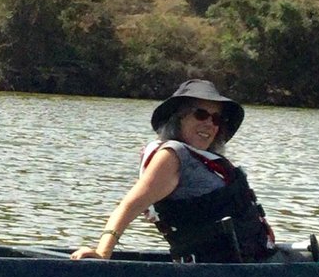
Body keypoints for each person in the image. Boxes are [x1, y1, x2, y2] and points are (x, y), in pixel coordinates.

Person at [71, 79, 274, 263]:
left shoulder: (212, 163)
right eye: (201, 114)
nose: (209, 124)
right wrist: (102, 253)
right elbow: (129, 206)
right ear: (179, 118)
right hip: (219, 273)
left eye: (217, 119)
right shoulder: (172, 156)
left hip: (252, 263)